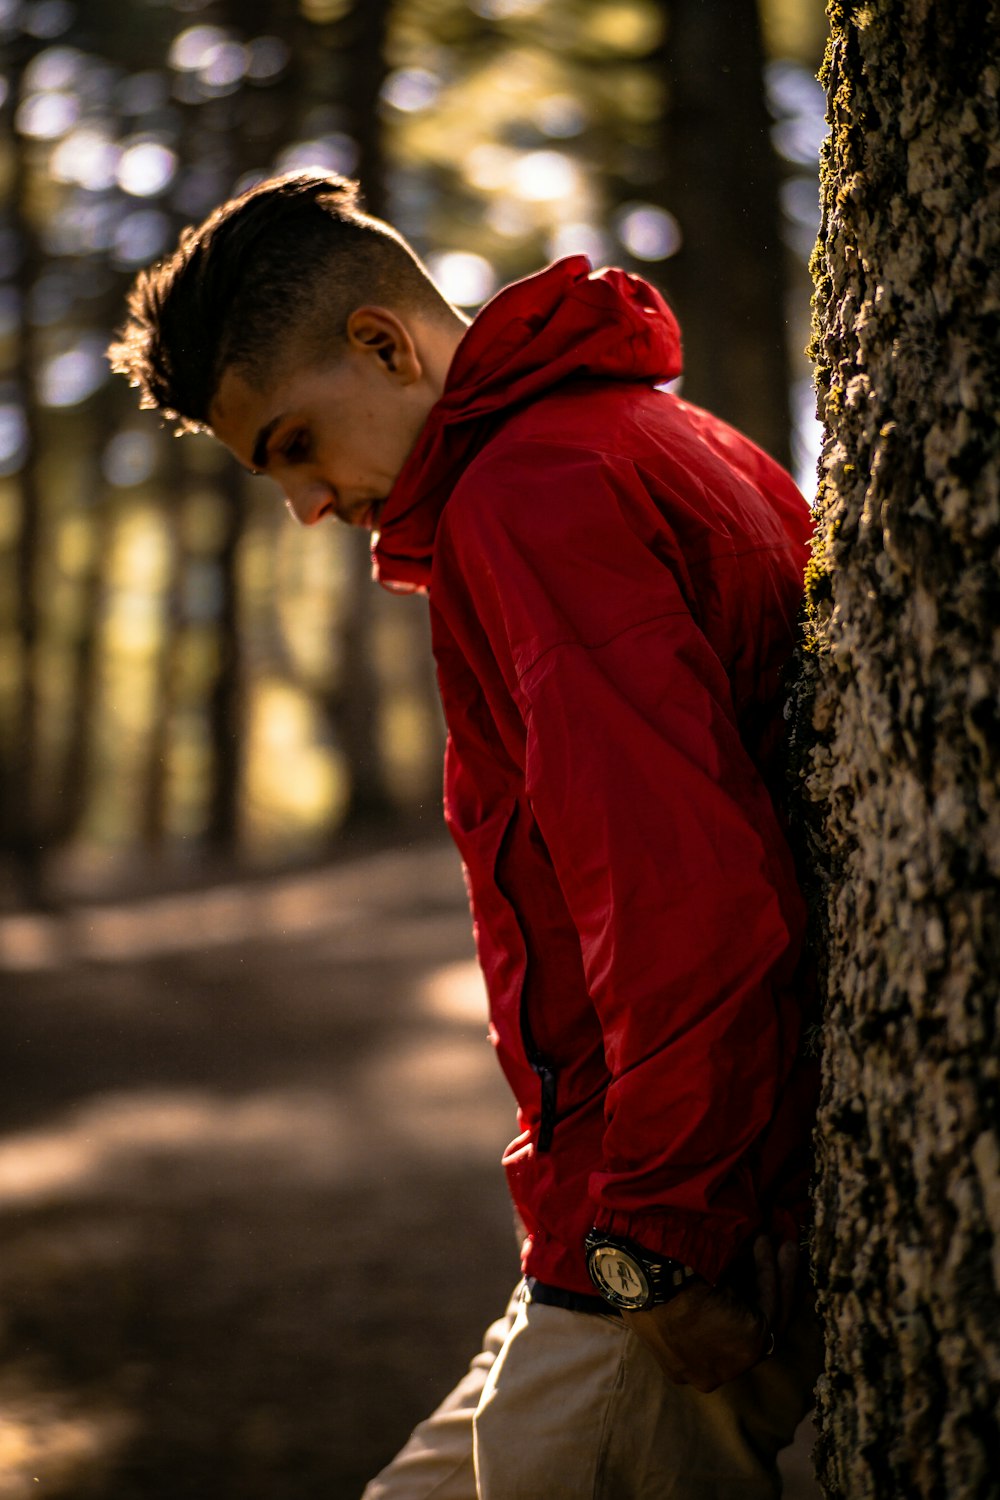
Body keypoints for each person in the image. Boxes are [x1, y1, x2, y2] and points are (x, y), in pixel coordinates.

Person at [109, 173, 823, 1499]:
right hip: (618, 1210)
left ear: (384, 345)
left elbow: (682, 891)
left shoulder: (530, 500)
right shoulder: (638, 435)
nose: (309, 506)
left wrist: (665, 1240)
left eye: (296, 446)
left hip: (685, 1215)